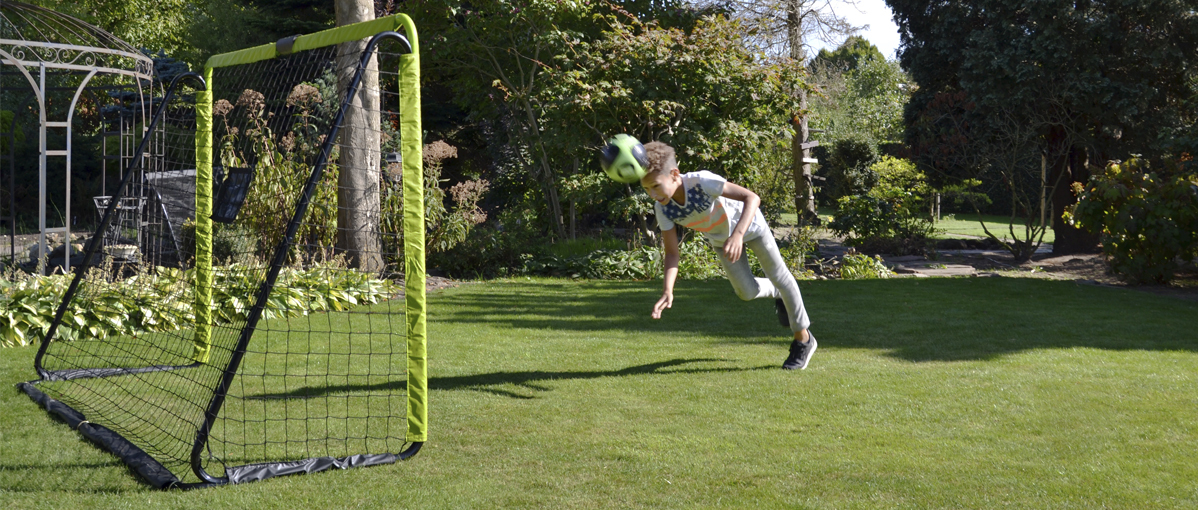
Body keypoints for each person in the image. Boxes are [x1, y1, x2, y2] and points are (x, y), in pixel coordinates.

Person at [640, 141, 816, 370]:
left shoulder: (701, 181)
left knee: (780, 275)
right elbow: (672, 253)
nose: (652, 194)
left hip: (751, 227)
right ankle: (778, 292)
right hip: (721, 241)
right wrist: (667, 290)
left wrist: (738, 234)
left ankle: (803, 339)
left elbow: (752, 198)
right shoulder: (663, 208)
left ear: (674, 174)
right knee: (746, 292)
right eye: (646, 189)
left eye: (655, 185)